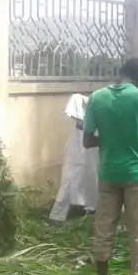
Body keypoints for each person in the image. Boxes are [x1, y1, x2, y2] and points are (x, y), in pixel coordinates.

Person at [83, 58, 138, 275]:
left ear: (121, 74)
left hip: (108, 174)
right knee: (137, 235)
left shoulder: (96, 98)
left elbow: (87, 140)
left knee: (104, 232)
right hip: (137, 174)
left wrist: (108, 140)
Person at [48, 92, 98, 223]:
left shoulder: (97, 108)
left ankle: (90, 210)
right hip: (77, 151)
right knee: (69, 179)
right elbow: (80, 123)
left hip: (90, 150)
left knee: (92, 178)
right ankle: (57, 215)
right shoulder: (79, 100)